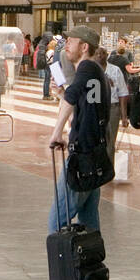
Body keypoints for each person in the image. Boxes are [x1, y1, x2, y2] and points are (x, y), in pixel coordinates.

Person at [45, 27, 108, 235]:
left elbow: (73, 97)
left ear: (84, 47)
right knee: (89, 222)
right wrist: (62, 93)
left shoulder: (88, 67)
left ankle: (63, 264)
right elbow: (83, 108)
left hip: (83, 157)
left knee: (57, 221)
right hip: (94, 154)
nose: (66, 46)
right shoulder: (95, 72)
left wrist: (56, 133)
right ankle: (87, 264)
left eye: (71, 41)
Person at [96, 46, 130, 165]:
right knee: (97, 139)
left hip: (112, 109)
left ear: (107, 55)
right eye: (98, 53)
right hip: (96, 109)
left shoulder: (115, 70)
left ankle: (108, 168)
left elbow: (123, 93)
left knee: (110, 141)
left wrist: (124, 116)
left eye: (103, 53)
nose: (100, 56)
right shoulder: (91, 70)